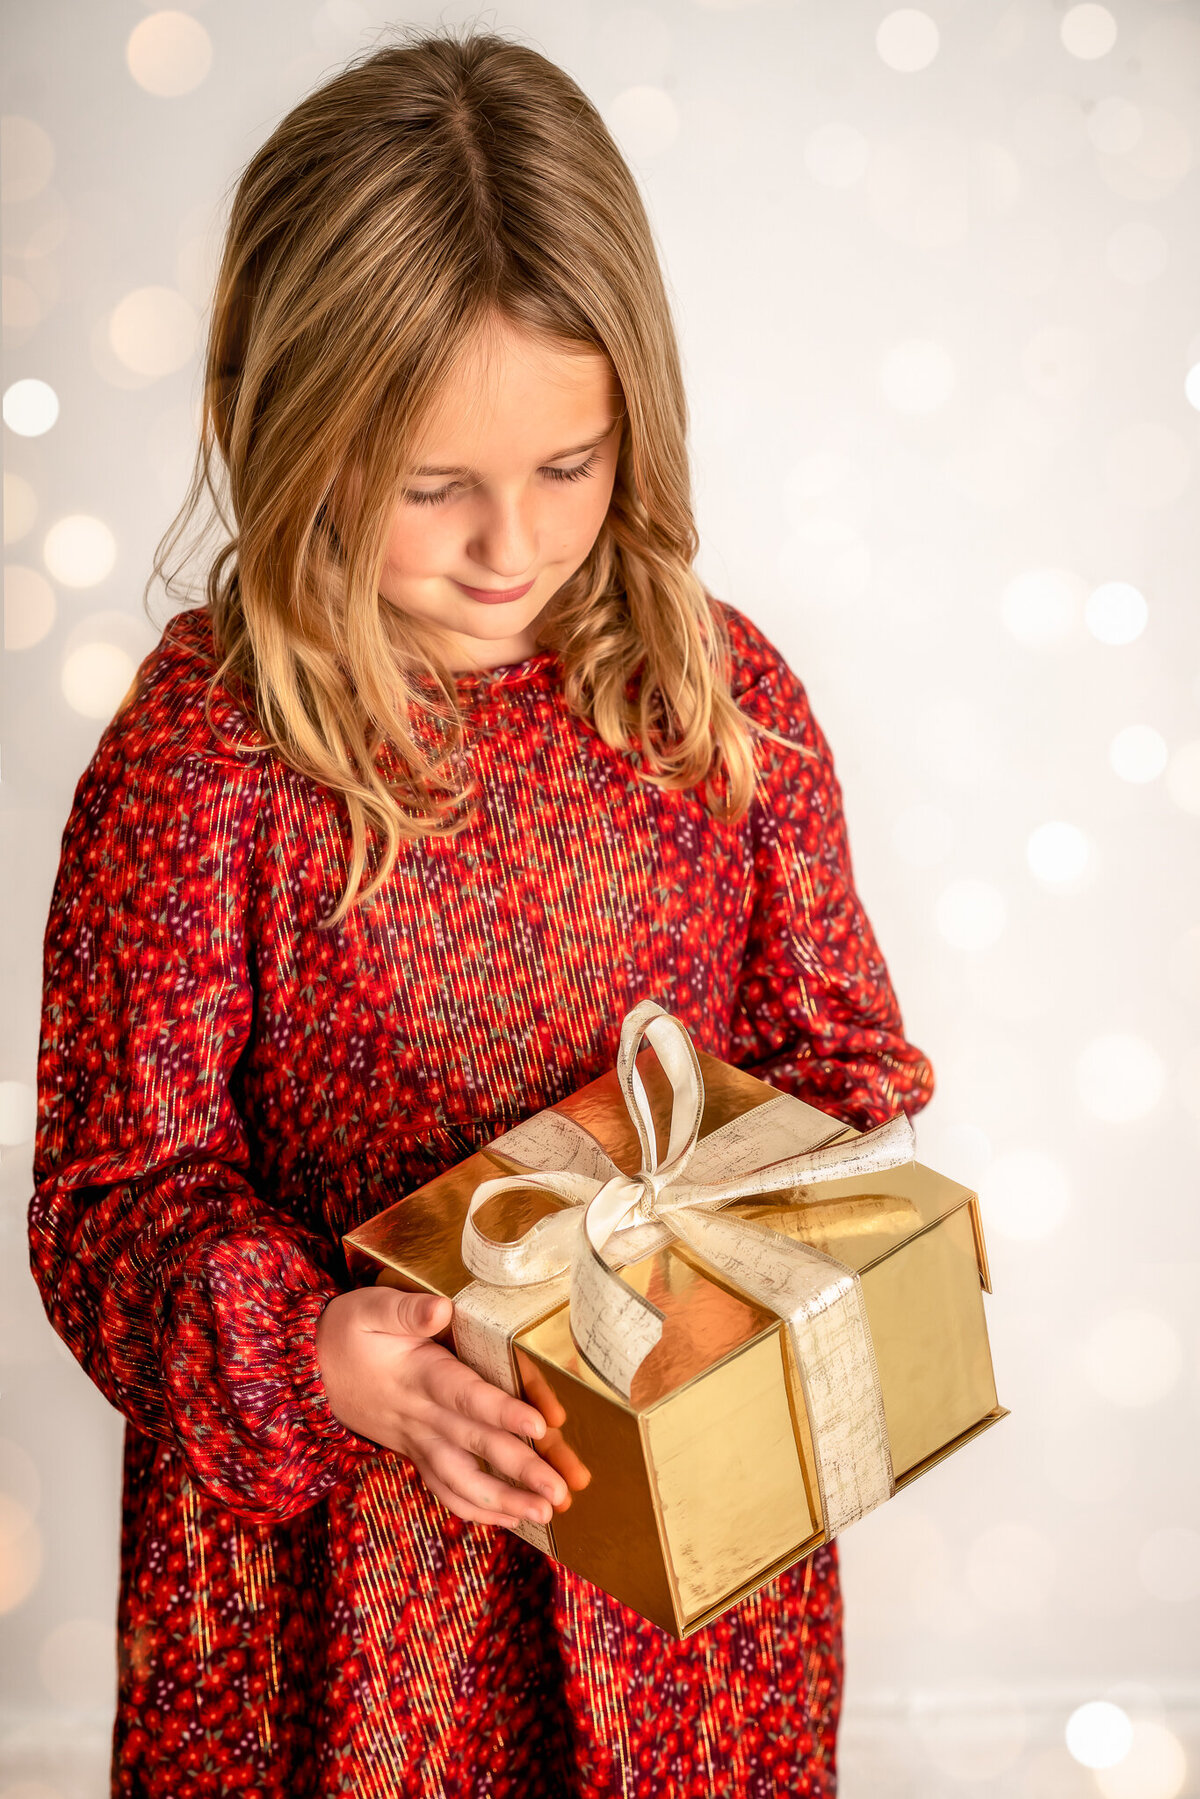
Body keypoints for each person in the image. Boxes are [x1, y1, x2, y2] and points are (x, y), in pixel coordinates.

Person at [28, 26, 934, 1798]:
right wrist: (306, 1350)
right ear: (280, 420)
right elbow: (110, 1199)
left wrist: (755, 1221)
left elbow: (841, 1057)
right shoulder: (208, 762)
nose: (509, 546)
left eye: (570, 469)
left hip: (685, 1577)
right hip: (350, 1611)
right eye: (432, 485)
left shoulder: (717, 705)